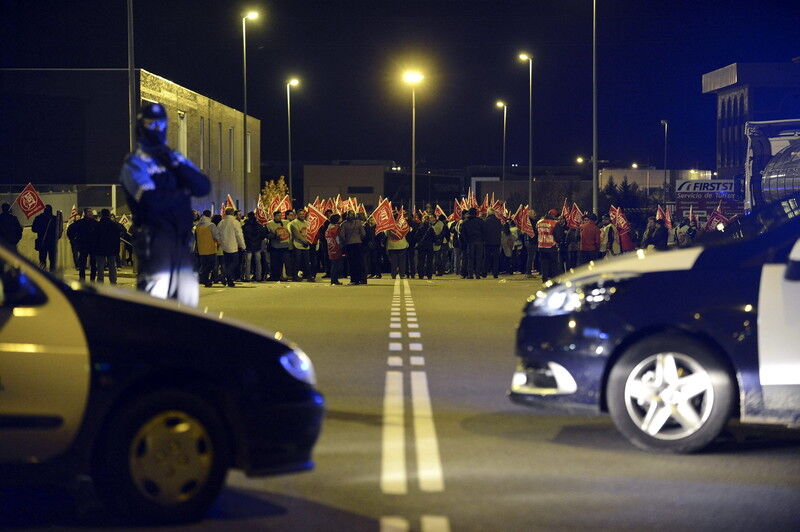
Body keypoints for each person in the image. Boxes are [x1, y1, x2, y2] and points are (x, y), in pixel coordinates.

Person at [119, 102, 210, 306]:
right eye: (151, 123)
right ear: (141, 126)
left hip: (180, 240)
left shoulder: (174, 158)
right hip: (156, 239)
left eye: (160, 123)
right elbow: (151, 202)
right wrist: (181, 192)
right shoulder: (135, 163)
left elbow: (202, 186)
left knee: (186, 304)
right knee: (156, 305)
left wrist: (174, 164)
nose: (157, 128)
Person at [216, 207, 246, 286]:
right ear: (232, 213)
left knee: (227, 263)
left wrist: (221, 242)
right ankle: (224, 275)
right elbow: (239, 235)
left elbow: (217, 234)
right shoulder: (235, 222)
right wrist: (243, 245)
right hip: (233, 245)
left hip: (224, 246)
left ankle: (230, 281)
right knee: (235, 262)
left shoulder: (221, 222)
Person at [93, 208, 124, 284]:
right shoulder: (114, 225)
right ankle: (113, 282)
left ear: (101, 215)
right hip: (112, 248)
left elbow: (94, 237)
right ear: (109, 215)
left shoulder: (97, 225)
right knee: (112, 266)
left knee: (100, 268)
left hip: (100, 249)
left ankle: (100, 283)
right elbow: (121, 232)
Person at [339, 210, 366, 285]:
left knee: (351, 263)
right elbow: (363, 234)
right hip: (358, 244)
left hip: (349, 245)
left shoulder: (344, 224)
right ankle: (362, 279)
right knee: (360, 262)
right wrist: (359, 238)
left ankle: (354, 280)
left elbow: (342, 235)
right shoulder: (359, 223)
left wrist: (345, 241)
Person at [194, 209, 219, 287]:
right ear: (210, 215)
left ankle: (204, 279)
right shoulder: (211, 225)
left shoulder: (198, 226)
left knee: (204, 265)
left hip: (201, 249)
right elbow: (216, 236)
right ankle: (203, 278)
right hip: (210, 249)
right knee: (211, 265)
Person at [32, 204, 60, 272]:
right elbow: (59, 230)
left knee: (42, 259)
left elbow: (33, 229)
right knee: (52, 260)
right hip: (52, 242)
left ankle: (42, 273)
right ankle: (52, 274)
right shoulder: (55, 219)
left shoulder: (38, 218)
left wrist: (41, 230)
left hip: (42, 241)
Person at [289, 209, 314, 282]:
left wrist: (309, 241)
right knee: (297, 262)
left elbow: (309, 233)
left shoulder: (307, 223)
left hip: (306, 245)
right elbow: (297, 235)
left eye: (303, 214)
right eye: (300, 214)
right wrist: (305, 241)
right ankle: (295, 276)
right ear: (297, 215)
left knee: (307, 262)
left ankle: (309, 276)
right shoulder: (293, 223)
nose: (302, 215)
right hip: (298, 245)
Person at [242, 211, 267, 282]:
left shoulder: (245, 226)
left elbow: (243, 236)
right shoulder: (259, 226)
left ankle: (247, 277)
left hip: (248, 246)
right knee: (258, 262)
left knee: (248, 263)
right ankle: (258, 277)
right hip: (257, 246)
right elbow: (263, 235)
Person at [266, 211, 291, 281]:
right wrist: (274, 236)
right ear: (274, 216)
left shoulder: (286, 222)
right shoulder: (269, 224)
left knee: (281, 262)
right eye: (278, 216)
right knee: (274, 262)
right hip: (275, 246)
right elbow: (267, 234)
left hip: (284, 246)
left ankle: (280, 276)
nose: (279, 217)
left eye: (280, 215)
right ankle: (273, 276)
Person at [460, 208, 484, 279]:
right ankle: (477, 274)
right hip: (479, 241)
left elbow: (462, 233)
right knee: (478, 258)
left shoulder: (465, 222)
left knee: (470, 258)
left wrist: (466, 241)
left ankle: (470, 274)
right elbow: (484, 231)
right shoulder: (480, 221)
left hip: (470, 242)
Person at [536, 209, 560, 282]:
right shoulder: (554, 223)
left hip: (541, 246)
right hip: (551, 246)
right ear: (553, 215)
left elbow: (537, 232)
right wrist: (559, 241)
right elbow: (557, 235)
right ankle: (554, 280)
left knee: (544, 264)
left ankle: (544, 279)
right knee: (553, 264)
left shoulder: (539, 222)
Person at [482, 209, 503, 278]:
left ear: (488, 213)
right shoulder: (498, 221)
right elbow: (500, 231)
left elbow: (484, 232)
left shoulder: (485, 221)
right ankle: (495, 274)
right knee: (496, 259)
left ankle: (484, 273)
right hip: (496, 242)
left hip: (487, 242)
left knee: (486, 258)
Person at [324, 214, 344, 285]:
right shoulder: (336, 228)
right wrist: (341, 245)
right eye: (339, 218)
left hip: (330, 247)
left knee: (334, 264)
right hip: (336, 247)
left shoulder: (328, 228)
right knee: (336, 264)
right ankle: (334, 280)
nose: (341, 218)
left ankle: (334, 280)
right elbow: (338, 238)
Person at [415, 215, 436, 279]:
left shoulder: (420, 228)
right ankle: (429, 275)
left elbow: (416, 237)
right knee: (429, 261)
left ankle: (421, 274)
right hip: (429, 246)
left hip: (422, 247)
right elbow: (434, 238)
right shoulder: (431, 228)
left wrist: (419, 242)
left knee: (421, 261)